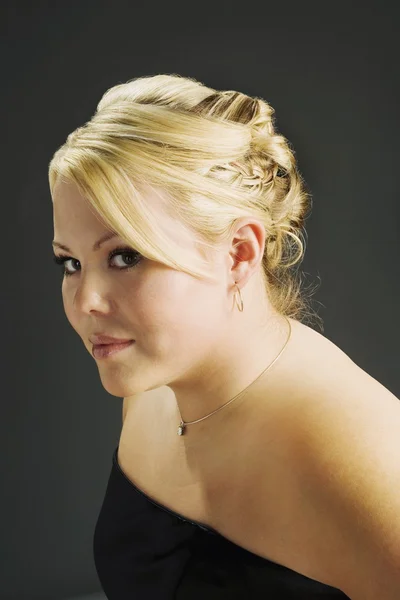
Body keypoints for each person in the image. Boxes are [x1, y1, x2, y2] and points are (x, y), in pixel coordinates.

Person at [49, 74, 400, 599]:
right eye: (71, 263)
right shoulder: (151, 385)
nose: (85, 302)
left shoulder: (365, 458)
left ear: (239, 253)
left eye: (125, 256)